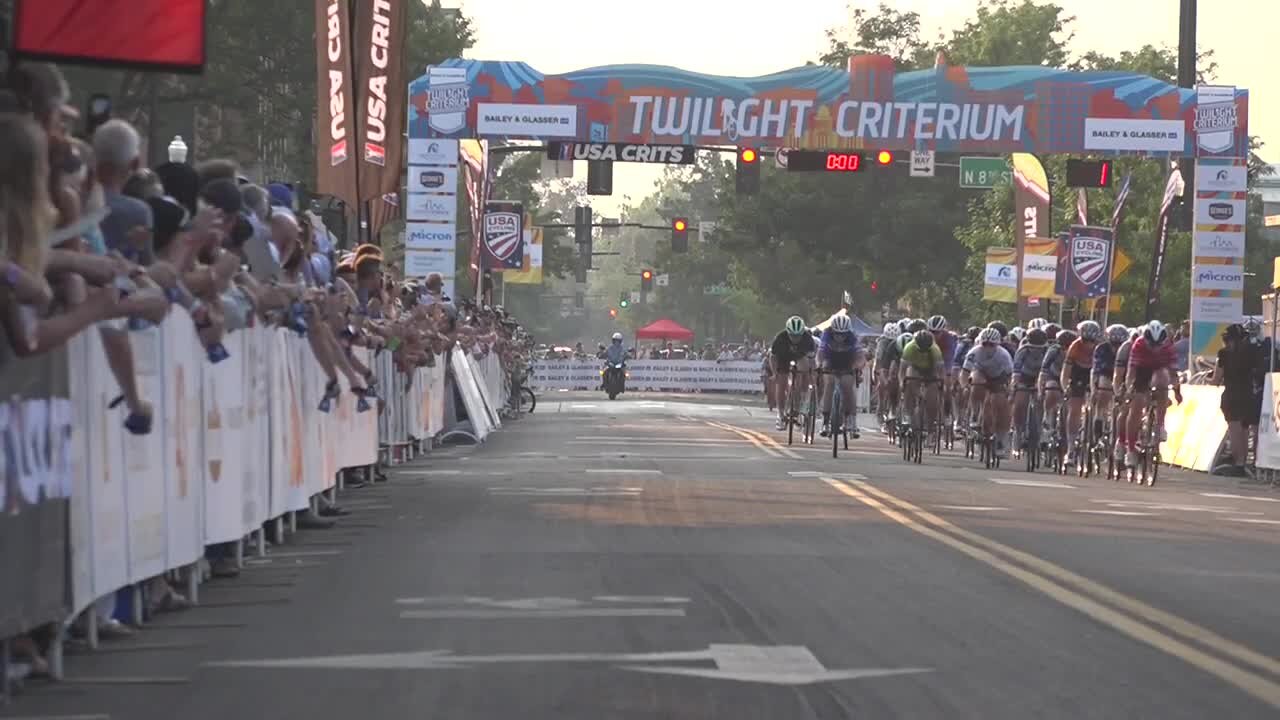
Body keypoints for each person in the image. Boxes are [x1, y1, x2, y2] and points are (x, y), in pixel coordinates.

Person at [1123, 320, 1182, 468]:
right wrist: (1130, 389)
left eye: (1158, 345)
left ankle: (1160, 425)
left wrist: (1176, 391)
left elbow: (1173, 374)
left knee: (1163, 380)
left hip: (1158, 369)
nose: (1155, 349)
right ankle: (1130, 450)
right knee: (1137, 406)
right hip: (1142, 370)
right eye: (1152, 345)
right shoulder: (1139, 344)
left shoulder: (1168, 347)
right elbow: (1131, 373)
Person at [1213, 323, 1263, 477]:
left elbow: (1216, 379)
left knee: (1234, 429)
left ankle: (1239, 463)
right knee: (1244, 429)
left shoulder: (1223, 354)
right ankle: (1245, 461)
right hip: (1248, 394)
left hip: (1231, 395)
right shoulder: (1252, 353)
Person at [963, 327, 1014, 457]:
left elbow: (1010, 376)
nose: (988, 347)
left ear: (997, 345)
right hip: (980, 374)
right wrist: (965, 386)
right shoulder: (974, 352)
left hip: (998, 378)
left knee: (1001, 403)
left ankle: (1000, 439)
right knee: (977, 381)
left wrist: (1009, 389)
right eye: (985, 344)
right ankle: (975, 413)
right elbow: (965, 373)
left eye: (991, 345)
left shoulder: (1003, 355)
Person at [1061, 320, 1102, 464]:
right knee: (1074, 409)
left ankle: (1098, 428)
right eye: (1086, 340)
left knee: (1101, 396)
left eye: (1092, 341)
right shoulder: (1075, 346)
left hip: (1095, 373)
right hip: (1078, 373)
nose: (1089, 344)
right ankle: (1071, 448)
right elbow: (1066, 372)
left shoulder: (1100, 348)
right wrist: (1066, 387)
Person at [818, 313, 863, 438]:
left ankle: (852, 421)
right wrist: (820, 364)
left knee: (847, 386)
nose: (840, 337)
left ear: (847, 332)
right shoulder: (826, 334)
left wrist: (857, 366)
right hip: (830, 361)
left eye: (843, 334)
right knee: (829, 383)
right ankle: (825, 422)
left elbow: (860, 357)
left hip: (847, 362)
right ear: (832, 330)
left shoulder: (853, 336)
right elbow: (820, 353)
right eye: (837, 333)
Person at [769, 315, 817, 430]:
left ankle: (800, 405)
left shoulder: (808, 339)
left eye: (798, 336)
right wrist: (774, 373)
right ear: (787, 332)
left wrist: (811, 375)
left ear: (802, 333)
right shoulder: (780, 338)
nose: (795, 339)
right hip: (783, 359)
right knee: (781, 383)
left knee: (803, 373)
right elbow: (772, 357)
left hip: (800, 358)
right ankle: (780, 414)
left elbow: (812, 360)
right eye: (792, 336)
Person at [898, 328, 944, 436]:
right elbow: (902, 370)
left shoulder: (935, 350)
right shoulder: (909, 348)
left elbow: (941, 372)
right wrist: (902, 383)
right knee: (909, 382)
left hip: (930, 369)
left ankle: (930, 426)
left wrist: (941, 385)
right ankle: (907, 414)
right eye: (921, 350)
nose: (923, 352)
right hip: (915, 368)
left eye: (925, 350)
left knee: (932, 398)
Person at [1011, 327, 1049, 450]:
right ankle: (1018, 431)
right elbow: (1016, 372)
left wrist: (1043, 388)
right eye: (1033, 347)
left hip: (1040, 376)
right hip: (1024, 377)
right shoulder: (1022, 350)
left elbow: (1050, 371)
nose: (1035, 350)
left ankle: (1042, 428)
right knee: (1019, 403)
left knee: (1042, 401)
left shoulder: (1047, 351)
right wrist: (1014, 388)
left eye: (1038, 348)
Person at [874, 322, 901, 431]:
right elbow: (879, 362)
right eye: (889, 340)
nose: (891, 342)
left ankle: (896, 412)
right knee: (882, 387)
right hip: (883, 365)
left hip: (896, 365)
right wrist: (880, 377)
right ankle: (881, 414)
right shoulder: (882, 343)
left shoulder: (900, 342)